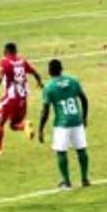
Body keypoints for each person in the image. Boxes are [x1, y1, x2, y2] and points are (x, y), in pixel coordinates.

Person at [38, 59, 90, 189]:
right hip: (77, 120)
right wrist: (84, 117)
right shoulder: (73, 81)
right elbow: (84, 99)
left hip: (62, 124)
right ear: (62, 69)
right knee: (81, 149)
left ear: (50, 71)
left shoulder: (49, 87)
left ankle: (66, 182)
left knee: (61, 152)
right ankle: (85, 179)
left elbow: (45, 111)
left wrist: (41, 129)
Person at [0, 42, 43, 157]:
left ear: (5, 51)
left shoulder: (4, 61)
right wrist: (40, 83)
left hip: (10, 98)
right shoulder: (22, 61)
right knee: (14, 124)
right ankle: (25, 125)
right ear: (16, 51)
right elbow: (35, 72)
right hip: (23, 98)